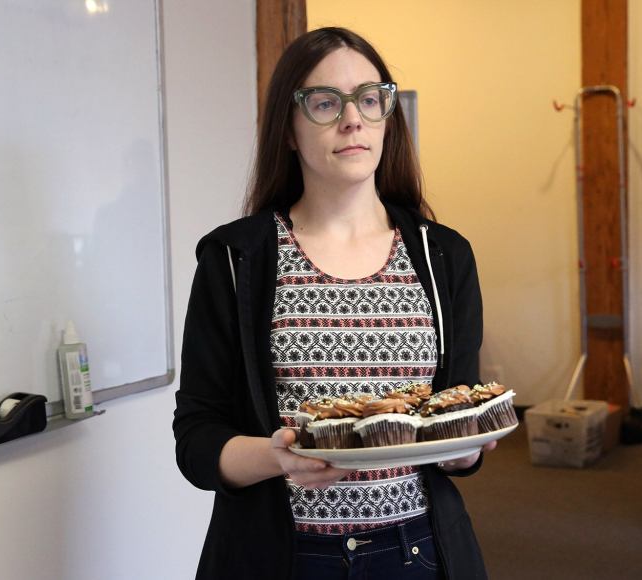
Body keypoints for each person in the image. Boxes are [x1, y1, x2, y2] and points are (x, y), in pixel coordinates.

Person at [173, 27, 494, 579]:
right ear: (290, 130)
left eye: (369, 100)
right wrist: (278, 458)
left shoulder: (444, 257)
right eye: (325, 103)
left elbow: (458, 421)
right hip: (282, 557)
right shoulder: (235, 257)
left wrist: (466, 446)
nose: (353, 120)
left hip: (417, 552)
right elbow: (197, 440)